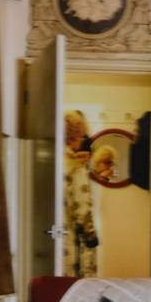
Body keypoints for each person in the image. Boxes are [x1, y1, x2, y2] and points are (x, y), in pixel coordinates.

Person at [64, 111, 98, 277]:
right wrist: (91, 236)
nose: (83, 141)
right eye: (82, 137)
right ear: (73, 137)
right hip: (69, 238)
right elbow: (83, 210)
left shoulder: (54, 162)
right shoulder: (76, 167)